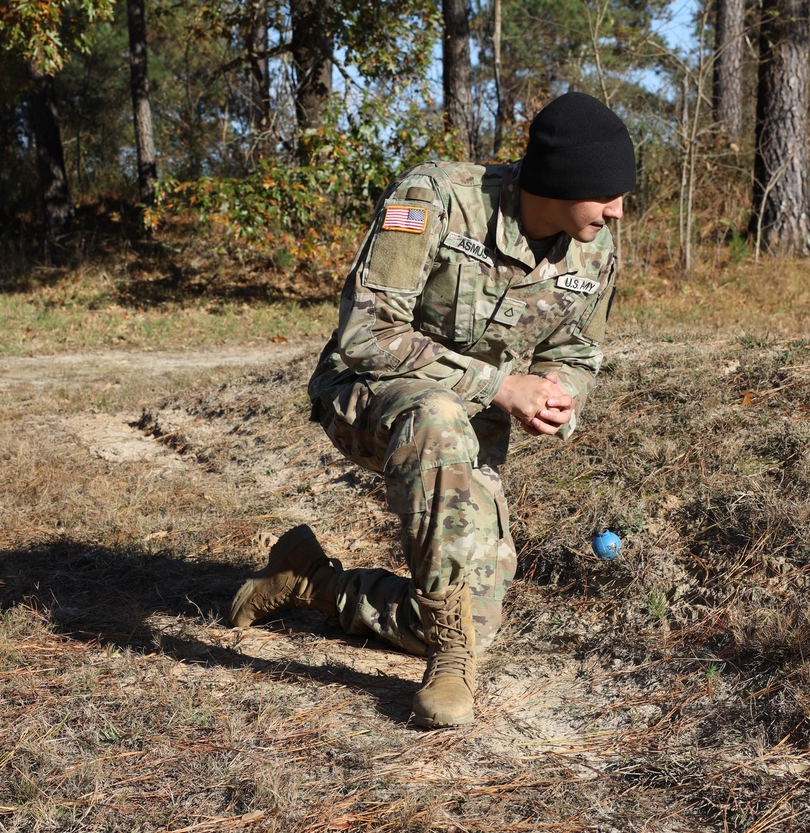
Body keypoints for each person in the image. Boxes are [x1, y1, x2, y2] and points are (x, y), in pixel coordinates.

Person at [229, 91, 636, 729]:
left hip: (469, 434)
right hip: (367, 396)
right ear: (560, 182)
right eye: (606, 193)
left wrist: (559, 396)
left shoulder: (594, 249)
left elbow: (578, 354)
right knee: (438, 414)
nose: (617, 209)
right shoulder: (437, 200)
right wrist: (501, 386)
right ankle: (450, 662)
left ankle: (310, 581)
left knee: (475, 620)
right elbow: (365, 336)